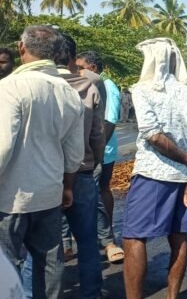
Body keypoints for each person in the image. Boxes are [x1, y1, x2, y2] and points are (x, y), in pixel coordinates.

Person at [123, 38, 187, 299]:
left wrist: (185, 158)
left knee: (133, 238)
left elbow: (152, 134)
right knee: (178, 236)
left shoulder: (142, 90)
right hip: (184, 180)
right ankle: (173, 296)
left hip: (153, 175)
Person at [0, 25, 84, 298]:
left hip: (10, 198)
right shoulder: (69, 92)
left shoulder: (10, 86)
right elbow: (74, 153)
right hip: (49, 193)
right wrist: (68, 186)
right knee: (49, 263)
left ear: (22, 48)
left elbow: (3, 146)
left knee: (6, 267)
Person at [21, 34, 105, 299]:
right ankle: (91, 294)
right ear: (71, 58)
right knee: (88, 242)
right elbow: (97, 134)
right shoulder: (88, 87)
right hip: (81, 174)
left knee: (40, 248)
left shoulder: (31, 85)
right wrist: (95, 162)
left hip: (42, 176)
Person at [77, 51, 125, 263]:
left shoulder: (108, 86)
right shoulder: (86, 83)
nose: (78, 70)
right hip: (92, 149)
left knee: (99, 190)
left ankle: (106, 236)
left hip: (103, 149)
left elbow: (110, 121)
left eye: (81, 66)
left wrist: (97, 151)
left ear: (93, 68)